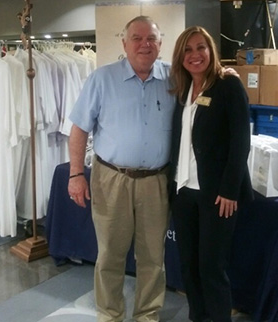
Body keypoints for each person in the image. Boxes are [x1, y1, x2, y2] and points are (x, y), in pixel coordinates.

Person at [67, 16, 175, 322]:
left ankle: (147, 315)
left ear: (160, 44)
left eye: (151, 39)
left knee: (153, 257)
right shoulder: (102, 79)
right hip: (111, 179)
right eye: (137, 38)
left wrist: (226, 74)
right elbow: (78, 130)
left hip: (156, 181)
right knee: (110, 255)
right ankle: (110, 314)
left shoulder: (174, 78)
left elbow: (205, 84)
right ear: (124, 43)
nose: (145, 44)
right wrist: (76, 174)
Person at [168, 26, 254, 322]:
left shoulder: (227, 85)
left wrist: (230, 189)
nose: (195, 55)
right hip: (183, 192)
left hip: (216, 194)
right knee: (189, 265)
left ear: (211, 50)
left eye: (201, 47)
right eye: (188, 50)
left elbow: (241, 140)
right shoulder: (182, 90)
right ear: (180, 57)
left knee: (211, 268)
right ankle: (198, 316)